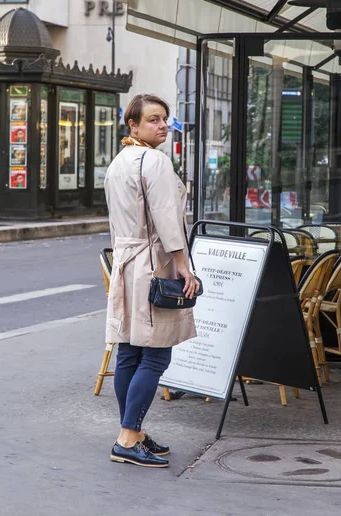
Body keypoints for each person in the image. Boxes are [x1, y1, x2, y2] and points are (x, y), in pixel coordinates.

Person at [104, 93, 199, 468]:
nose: (163, 125)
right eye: (154, 120)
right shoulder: (154, 161)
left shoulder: (118, 163)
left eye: (165, 119)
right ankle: (127, 438)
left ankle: (133, 433)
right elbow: (166, 218)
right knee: (156, 353)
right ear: (134, 125)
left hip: (126, 265)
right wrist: (183, 265)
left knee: (129, 351)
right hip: (152, 264)